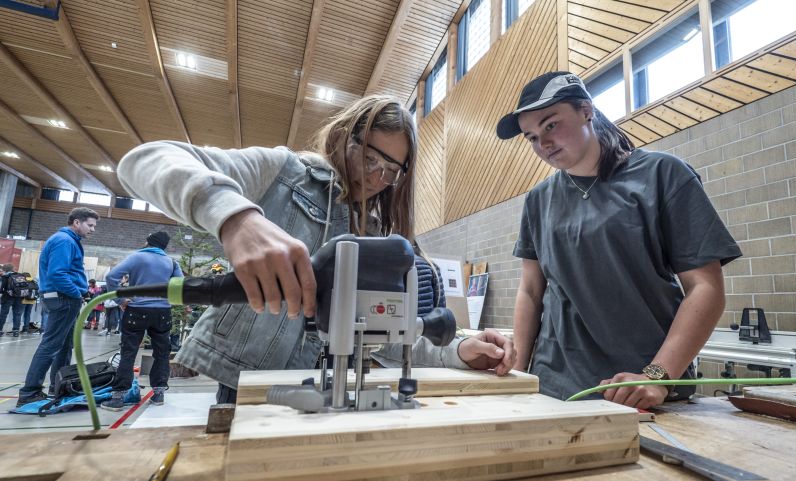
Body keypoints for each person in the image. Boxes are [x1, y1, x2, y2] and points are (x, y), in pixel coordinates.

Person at [118, 95, 515, 404]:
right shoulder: (282, 172)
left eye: (391, 171)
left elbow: (385, 332)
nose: (377, 177)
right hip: (248, 390)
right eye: (371, 157)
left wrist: (459, 350)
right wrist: (236, 219)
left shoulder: (375, 233)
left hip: (329, 391)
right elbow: (144, 160)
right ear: (345, 134)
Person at [496, 72, 742, 409]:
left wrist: (657, 375)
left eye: (550, 125)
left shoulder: (662, 175)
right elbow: (530, 291)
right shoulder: (539, 200)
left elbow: (705, 288)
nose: (543, 144)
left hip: (643, 388)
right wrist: (519, 375)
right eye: (532, 137)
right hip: (555, 386)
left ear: (587, 111)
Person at [17, 207, 99, 406]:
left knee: (64, 345)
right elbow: (57, 274)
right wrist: (77, 292)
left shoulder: (68, 240)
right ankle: (30, 392)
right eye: (90, 225)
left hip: (64, 298)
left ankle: (58, 386)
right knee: (52, 345)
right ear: (76, 222)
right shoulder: (64, 241)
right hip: (63, 298)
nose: (93, 229)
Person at [101, 231, 184, 410]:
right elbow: (180, 285)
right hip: (162, 312)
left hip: (137, 310)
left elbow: (111, 277)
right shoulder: (171, 262)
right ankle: (159, 394)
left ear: (148, 242)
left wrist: (120, 300)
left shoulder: (137, 257)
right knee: (161, 353)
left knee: (128, 353)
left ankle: (118, 398)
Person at [0, 264, 24, 337]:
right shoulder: (20, 276)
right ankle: (16, 331)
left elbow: (1, 289)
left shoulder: (5, 277)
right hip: (19, 297)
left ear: (5, 269)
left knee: (3, 314)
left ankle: (0, 330)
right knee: (17, 314)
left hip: (7, 297)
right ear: (12, 269)